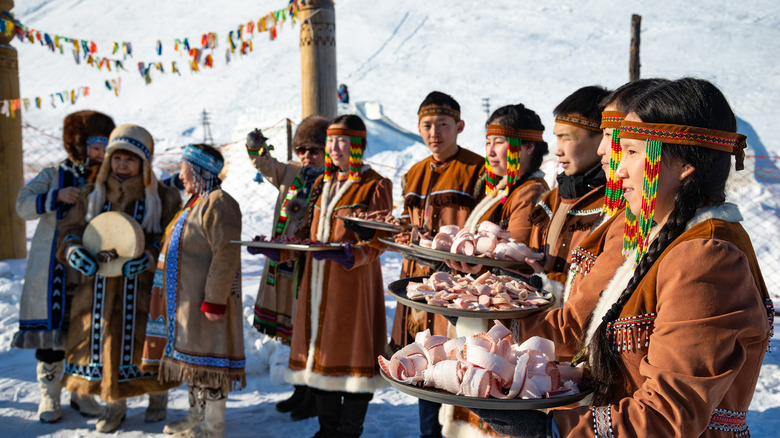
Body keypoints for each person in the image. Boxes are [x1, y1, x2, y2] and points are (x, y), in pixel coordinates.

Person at [472, 78, 773, 437]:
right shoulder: (666, 241)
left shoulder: (706, 257)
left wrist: (552, 430)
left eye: (631, 151)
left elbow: (669, 413)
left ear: (684, 166)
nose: (617, 168)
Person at [261, 114, 391, 437]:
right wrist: (282, 249)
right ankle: (326, 427)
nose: (333, 147)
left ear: (358, 144)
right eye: (330, 140)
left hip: (352, 284)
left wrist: (353, 254)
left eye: (341, 140)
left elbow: (380, 239)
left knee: (353, 355)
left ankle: (349, 430)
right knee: (319, 355)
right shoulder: (321, 183)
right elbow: (306, 233)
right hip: (315, 283)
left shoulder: (375, 184)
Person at [56, 123, 182, 433]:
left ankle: (158, 398)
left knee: (149, 343)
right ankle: (114, 407)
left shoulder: (163, 198)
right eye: (116, 158)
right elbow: (70, 231)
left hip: (143, 288)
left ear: (143, 162)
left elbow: (171, 237)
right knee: (104, 345)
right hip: (97, 287)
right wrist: (74, 252)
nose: (121, 165)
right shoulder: (92, 193)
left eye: (129, 159)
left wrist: (147, 258)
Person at [387, 91, 484, 438]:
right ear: (418, 128)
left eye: (442, 124)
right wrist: (400, 230)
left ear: (459, 126)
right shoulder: (413, 172)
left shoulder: (477, 169)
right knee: (421, 362)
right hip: (416, 283)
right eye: (427, 125)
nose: (434, 133)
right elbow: (407, 219)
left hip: (456, 287)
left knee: (455, 363)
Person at [13, 110, 114, 422]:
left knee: (86, 335)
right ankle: (49, 398)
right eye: (96, 147)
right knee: (52, 335)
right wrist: (54, 196)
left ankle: (81, 394)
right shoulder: (52, 174)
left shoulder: (108, 179)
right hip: (52, 271)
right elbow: (22, 205)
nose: (101, 154)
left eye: (104, 148)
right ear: (79, 145)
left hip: (91, 269)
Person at [144, 144, 244, 438]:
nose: (181, 175)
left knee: (209, 363)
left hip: (206, 302)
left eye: (185, 169)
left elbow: (225, 254)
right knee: (194, 363)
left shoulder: (219, 203)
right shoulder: (195, 202)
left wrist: (214, 301)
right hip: (186, 302)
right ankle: (195, 417)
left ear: (200, 171)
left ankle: (212, 426)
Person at [245, 115, 330, 421]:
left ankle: (314, 395)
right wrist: (256, 148)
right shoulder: (290, 172)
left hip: (311, 267)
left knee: (309, 332)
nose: (308, 156)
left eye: (315, 150)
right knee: (293, 334)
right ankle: (300, 389)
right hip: (284, 268)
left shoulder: (332, 180)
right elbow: (265, 165)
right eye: (303, 150)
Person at [528, 86, 610, 295]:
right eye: (557, 138)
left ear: (602, 138)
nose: (557, 150)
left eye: (567, 138)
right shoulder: (550, 200)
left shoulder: (615, 206)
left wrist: (550, 284)